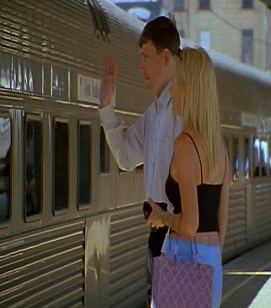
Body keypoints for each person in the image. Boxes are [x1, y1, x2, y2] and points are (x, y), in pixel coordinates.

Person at [98, 16, 183, 306]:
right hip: (158, 238)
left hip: (179, 238)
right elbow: (125, 156)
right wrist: (107, 106)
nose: (141, 66)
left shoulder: (183, 112)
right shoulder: (154, 113)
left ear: (166, 57)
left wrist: (169, 216)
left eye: (145, 57)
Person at [147, 47, 230, 308]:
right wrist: (209, 257)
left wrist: (162, 218)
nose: (172, 91)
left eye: (178, 84)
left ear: (191, 90)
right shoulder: (220, 147)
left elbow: (190, 223)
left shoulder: (185, 145)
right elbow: (221, 222)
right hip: (212, 260)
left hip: (182, 258)